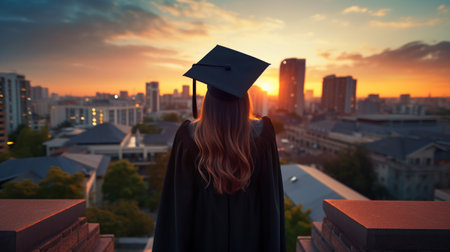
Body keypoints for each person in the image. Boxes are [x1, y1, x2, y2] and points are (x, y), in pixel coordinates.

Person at [152, 45, 286, 252]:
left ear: (208, 102)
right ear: (244, 101)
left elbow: (177, 206)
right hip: (251, 241)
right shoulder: (262, 136)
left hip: (201, 240)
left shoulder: (188, 138)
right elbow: (271, 203)